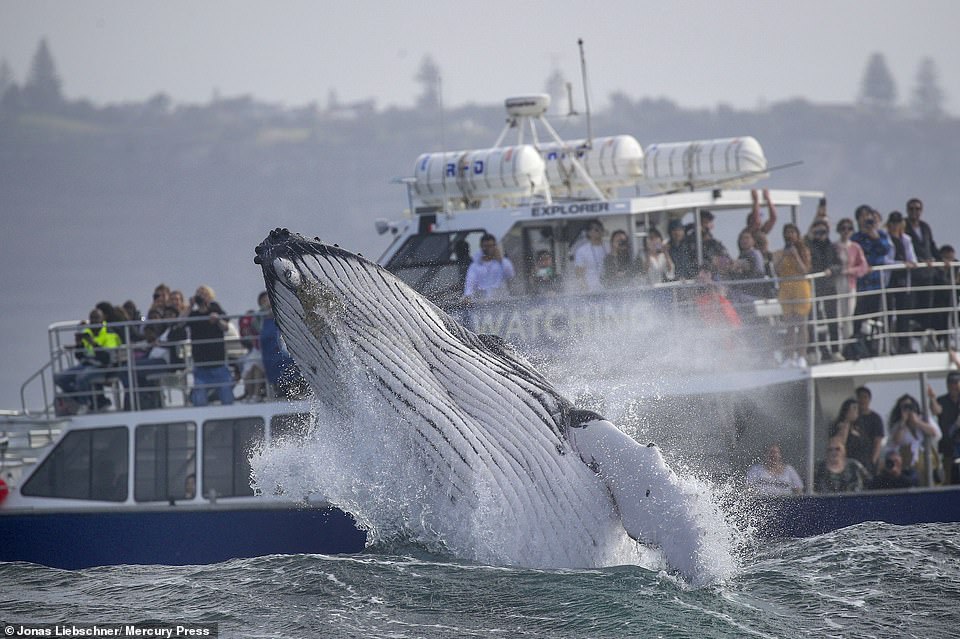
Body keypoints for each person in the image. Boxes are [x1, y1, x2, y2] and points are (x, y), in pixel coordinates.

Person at [55, 307, 123, 413]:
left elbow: (108, 358)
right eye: (92, 319)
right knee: (59, 378)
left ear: (102, 320)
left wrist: (94, 344)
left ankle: (85, 404)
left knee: (81, 378)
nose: (94, 321)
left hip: (104, 367)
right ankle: (84, 399)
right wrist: (79, 344)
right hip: (87, 364)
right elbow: (80, 356)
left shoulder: (110, 334)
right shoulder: (87, 332)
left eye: (97, 318)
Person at [187, 285, 235, 406]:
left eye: (203, 293)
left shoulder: (216, 308)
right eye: (198, 293)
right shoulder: (192, 314)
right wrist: (189, 306)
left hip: (218, 364)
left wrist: (218, 319)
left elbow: (226, 326)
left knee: (227, 397)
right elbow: (179, 323)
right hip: (201, 366)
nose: (200, 296)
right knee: (200, 400)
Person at [774, 223, 812, 367]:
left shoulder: (803, 251)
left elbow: (805, 270)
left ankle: (802, 356)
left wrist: (796, 256)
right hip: (786, 290)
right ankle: (789, 356)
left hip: (800, 288)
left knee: (802, 324)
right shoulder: (778, 253)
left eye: (792, 232)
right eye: (786, 232)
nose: (789, 235)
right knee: (790, 325)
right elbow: (777, 270)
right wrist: (785, 256)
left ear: (797, 235)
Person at [852, 205, 892, 339]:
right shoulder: (855, 238)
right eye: (862, 216)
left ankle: (874, 344)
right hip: (862, 284)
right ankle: (859, 342)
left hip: (877, 283)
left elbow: (885, 249)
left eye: (867, 215)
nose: (866, 219)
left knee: (876, 317)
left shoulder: (881, 235)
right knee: (860, 315)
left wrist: (874, 235)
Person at [806, 218, 843, 359]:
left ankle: (835, 350)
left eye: (823, 231)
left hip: (829, 286)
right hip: (814, 288)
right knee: (814, 319)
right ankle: (816, 350)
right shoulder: (808, 247)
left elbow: (839, 265)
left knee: (832, 319)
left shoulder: (832, 247)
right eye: (817, 232)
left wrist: (831, 270)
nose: (820, 234)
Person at [833, 218, 870, 357]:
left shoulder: (855, 247)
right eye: (843, 228)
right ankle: (839, 347)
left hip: (850, 284)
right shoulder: (834, 246)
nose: (846, 231)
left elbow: (863, 266)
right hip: (837, 284)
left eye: (849, 228)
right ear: (838, 230)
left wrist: (851, 271)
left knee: (848, 315)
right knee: (838, 316)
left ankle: (847, 347)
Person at [887, 393, 942, 486]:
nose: (908, 409)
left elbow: (936, 433)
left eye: (910, 406)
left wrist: (917, 422)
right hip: (908, 465)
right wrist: (903, 422)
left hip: (927, 462)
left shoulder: (924, 419)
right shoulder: (898, 425)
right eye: (904, 407)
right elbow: (895, 442)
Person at [259, 297, 308, 399]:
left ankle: (296, 387)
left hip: (283, 349)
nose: (266, 303)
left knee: (289, 360)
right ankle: (284, 388)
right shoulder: (261, 317)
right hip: (271, 353)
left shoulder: (282, 311)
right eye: (263, 301)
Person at [885, 211, 919, 353]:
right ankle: (889, 346)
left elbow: (913, 258)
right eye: (892, 222)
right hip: (890, 280)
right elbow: (885, 260)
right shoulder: (885, 239)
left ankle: (904, 345)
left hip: (904, 280)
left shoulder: (906, 239)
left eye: (897, 222)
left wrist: (910, 264)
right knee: (889, 313)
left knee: (903, 314)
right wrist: (902, 263)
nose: (895, 225)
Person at [904, 197, 940, 332]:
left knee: (927, 305)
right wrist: (919, 260)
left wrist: (941, 260)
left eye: (917, 209)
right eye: (912, 209)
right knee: (912, 305)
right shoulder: (904, 226)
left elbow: (931, 245)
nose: (914, 212)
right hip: (913, 274)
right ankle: (912, 334)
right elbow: (903, 247)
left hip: (927, 273)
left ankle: (925, 333)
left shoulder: (925, 227)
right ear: (907, 210)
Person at [828, 397, 881, 473]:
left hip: (865, 464)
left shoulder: (859, 428)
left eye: (857, 408)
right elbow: (840, 443)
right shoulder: (841, 426)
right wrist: (847, 422)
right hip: (851, 464)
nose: (856, 411)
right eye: (853, 408)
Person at [927, 364, 960, 484]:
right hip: (948, 448)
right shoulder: (942, 400)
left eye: (956, 383)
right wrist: (932, 398)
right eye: (951, 383)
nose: (954, 386)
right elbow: (936, 410)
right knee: (949, 478)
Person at [464, 233, 515, 300]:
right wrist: (468, 296)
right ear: (481, 246)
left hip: (502, 300)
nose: (488, 248)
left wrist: (500, 260)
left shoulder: (503, 262)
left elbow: (510, 274)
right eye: (486, 246)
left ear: (495, 246)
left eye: (491, 246)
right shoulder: (475, 265)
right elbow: (470, 283)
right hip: (483, 302)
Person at [725, 228, 770, 300]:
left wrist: (731, 264)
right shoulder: (743, 254)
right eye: (742, 238)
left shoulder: (754, 253)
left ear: (753, 241)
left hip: (753, 294)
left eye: (747, 238)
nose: (744, 240)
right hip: (746, 292)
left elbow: (745, 265)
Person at [574, 220, 608, 292]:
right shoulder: (582, 250)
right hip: (591, 290)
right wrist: (584, 289)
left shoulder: (609, 247)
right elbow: (579, 274)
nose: (598, 231)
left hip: (608, 288)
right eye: (595, 229)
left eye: (599, 229)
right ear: (589, 232)